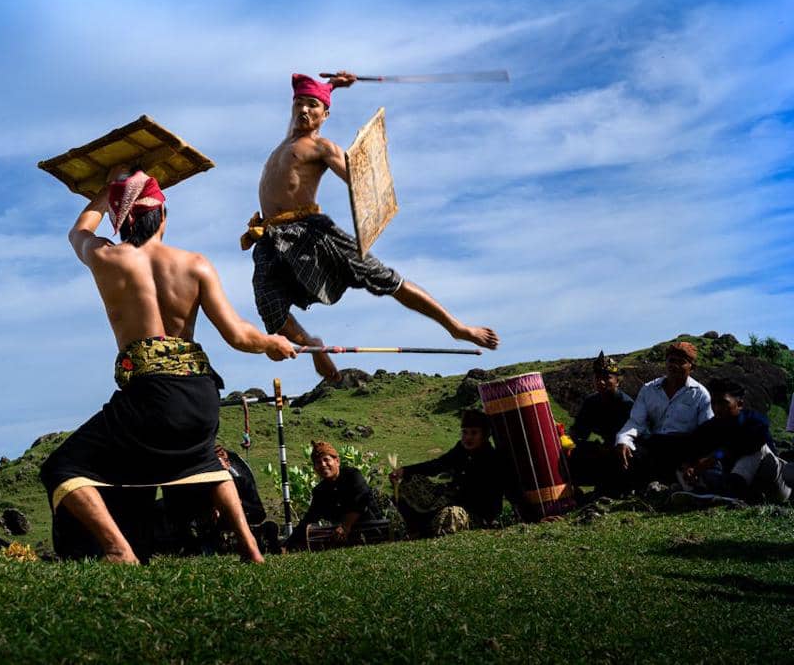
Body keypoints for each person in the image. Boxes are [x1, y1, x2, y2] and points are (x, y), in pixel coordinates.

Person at [40, 169, 296, 564]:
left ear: (121, 219)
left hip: (150, 398)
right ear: (163, 216)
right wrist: (271, 344)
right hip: (200, 397)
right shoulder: (195, 265)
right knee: (203, 461)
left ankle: (117, 549)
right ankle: (251, 551)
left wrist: (102, 188)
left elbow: (77, 233)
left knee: (61, 466)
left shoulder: (108, 258)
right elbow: (238, 335)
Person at [242, 72, 498, 382]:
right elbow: (307, 104)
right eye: (299, 104)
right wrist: (334, 84)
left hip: (311, 233)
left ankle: (457, 327)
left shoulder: (323, 147)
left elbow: (360, 181)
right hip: (270, 238)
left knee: (383, 277)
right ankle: (313, 344)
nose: (304, 110)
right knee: (269, 309)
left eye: (313, 105)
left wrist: (363, 173)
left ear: (325, 114)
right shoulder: (286, 142)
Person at [390, 409, 508, 536]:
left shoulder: (492, 459)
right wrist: (405, 471)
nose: (468, 437)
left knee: (452, 515)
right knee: (410, 480)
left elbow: (484, 498)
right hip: (450, 499)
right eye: (464, 432)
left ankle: (426, 527)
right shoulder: (461, 450)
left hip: (474, 513)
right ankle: (417, 523)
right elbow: (438, 465)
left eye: (474, 433)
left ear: (485, 435)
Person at [614, 342, 712, 488]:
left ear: (692, 367)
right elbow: (636, 422)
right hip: (655, 444)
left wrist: (697, 460)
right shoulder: (649, 390)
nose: (675, 366)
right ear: (665, 362)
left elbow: (707, 431)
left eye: (681, 362)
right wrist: (623, 440)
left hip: (683, 448)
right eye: (672, 360)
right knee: (625, 453)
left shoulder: (700, 394)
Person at [679, 378, 791, 504]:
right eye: (714, 403)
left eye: (723, 403)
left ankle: (729, 493)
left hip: (772, 485)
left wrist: (714, 458)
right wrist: (689, 466)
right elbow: (691, 447)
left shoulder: (755, 421)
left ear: (739, 404)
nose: (717, 408)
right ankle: (703, 491)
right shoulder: (710, 427)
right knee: (683, 463)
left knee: (758, 450)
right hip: (743, 486)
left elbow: (744, 446)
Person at [285, 441, 383, 550]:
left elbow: (362, 499)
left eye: (326, 460)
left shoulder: (352, 475)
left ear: (337, 461)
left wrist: (346, 525)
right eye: (318, 462)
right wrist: (287, 544)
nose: (323, 464)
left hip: (375, 534)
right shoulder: (320, 491)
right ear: (315, 468)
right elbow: (310, 518)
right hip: (346, 543)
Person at [567, 351, 635, 496]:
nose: (601, 382)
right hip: (602, 448)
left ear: (617, 380)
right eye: (598, 378)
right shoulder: (591, 402)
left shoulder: (626, 404)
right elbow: (579, 431)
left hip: (622, 449)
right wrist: (565, 440)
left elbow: (632, 434)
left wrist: (612, 446)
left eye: (607, 378)